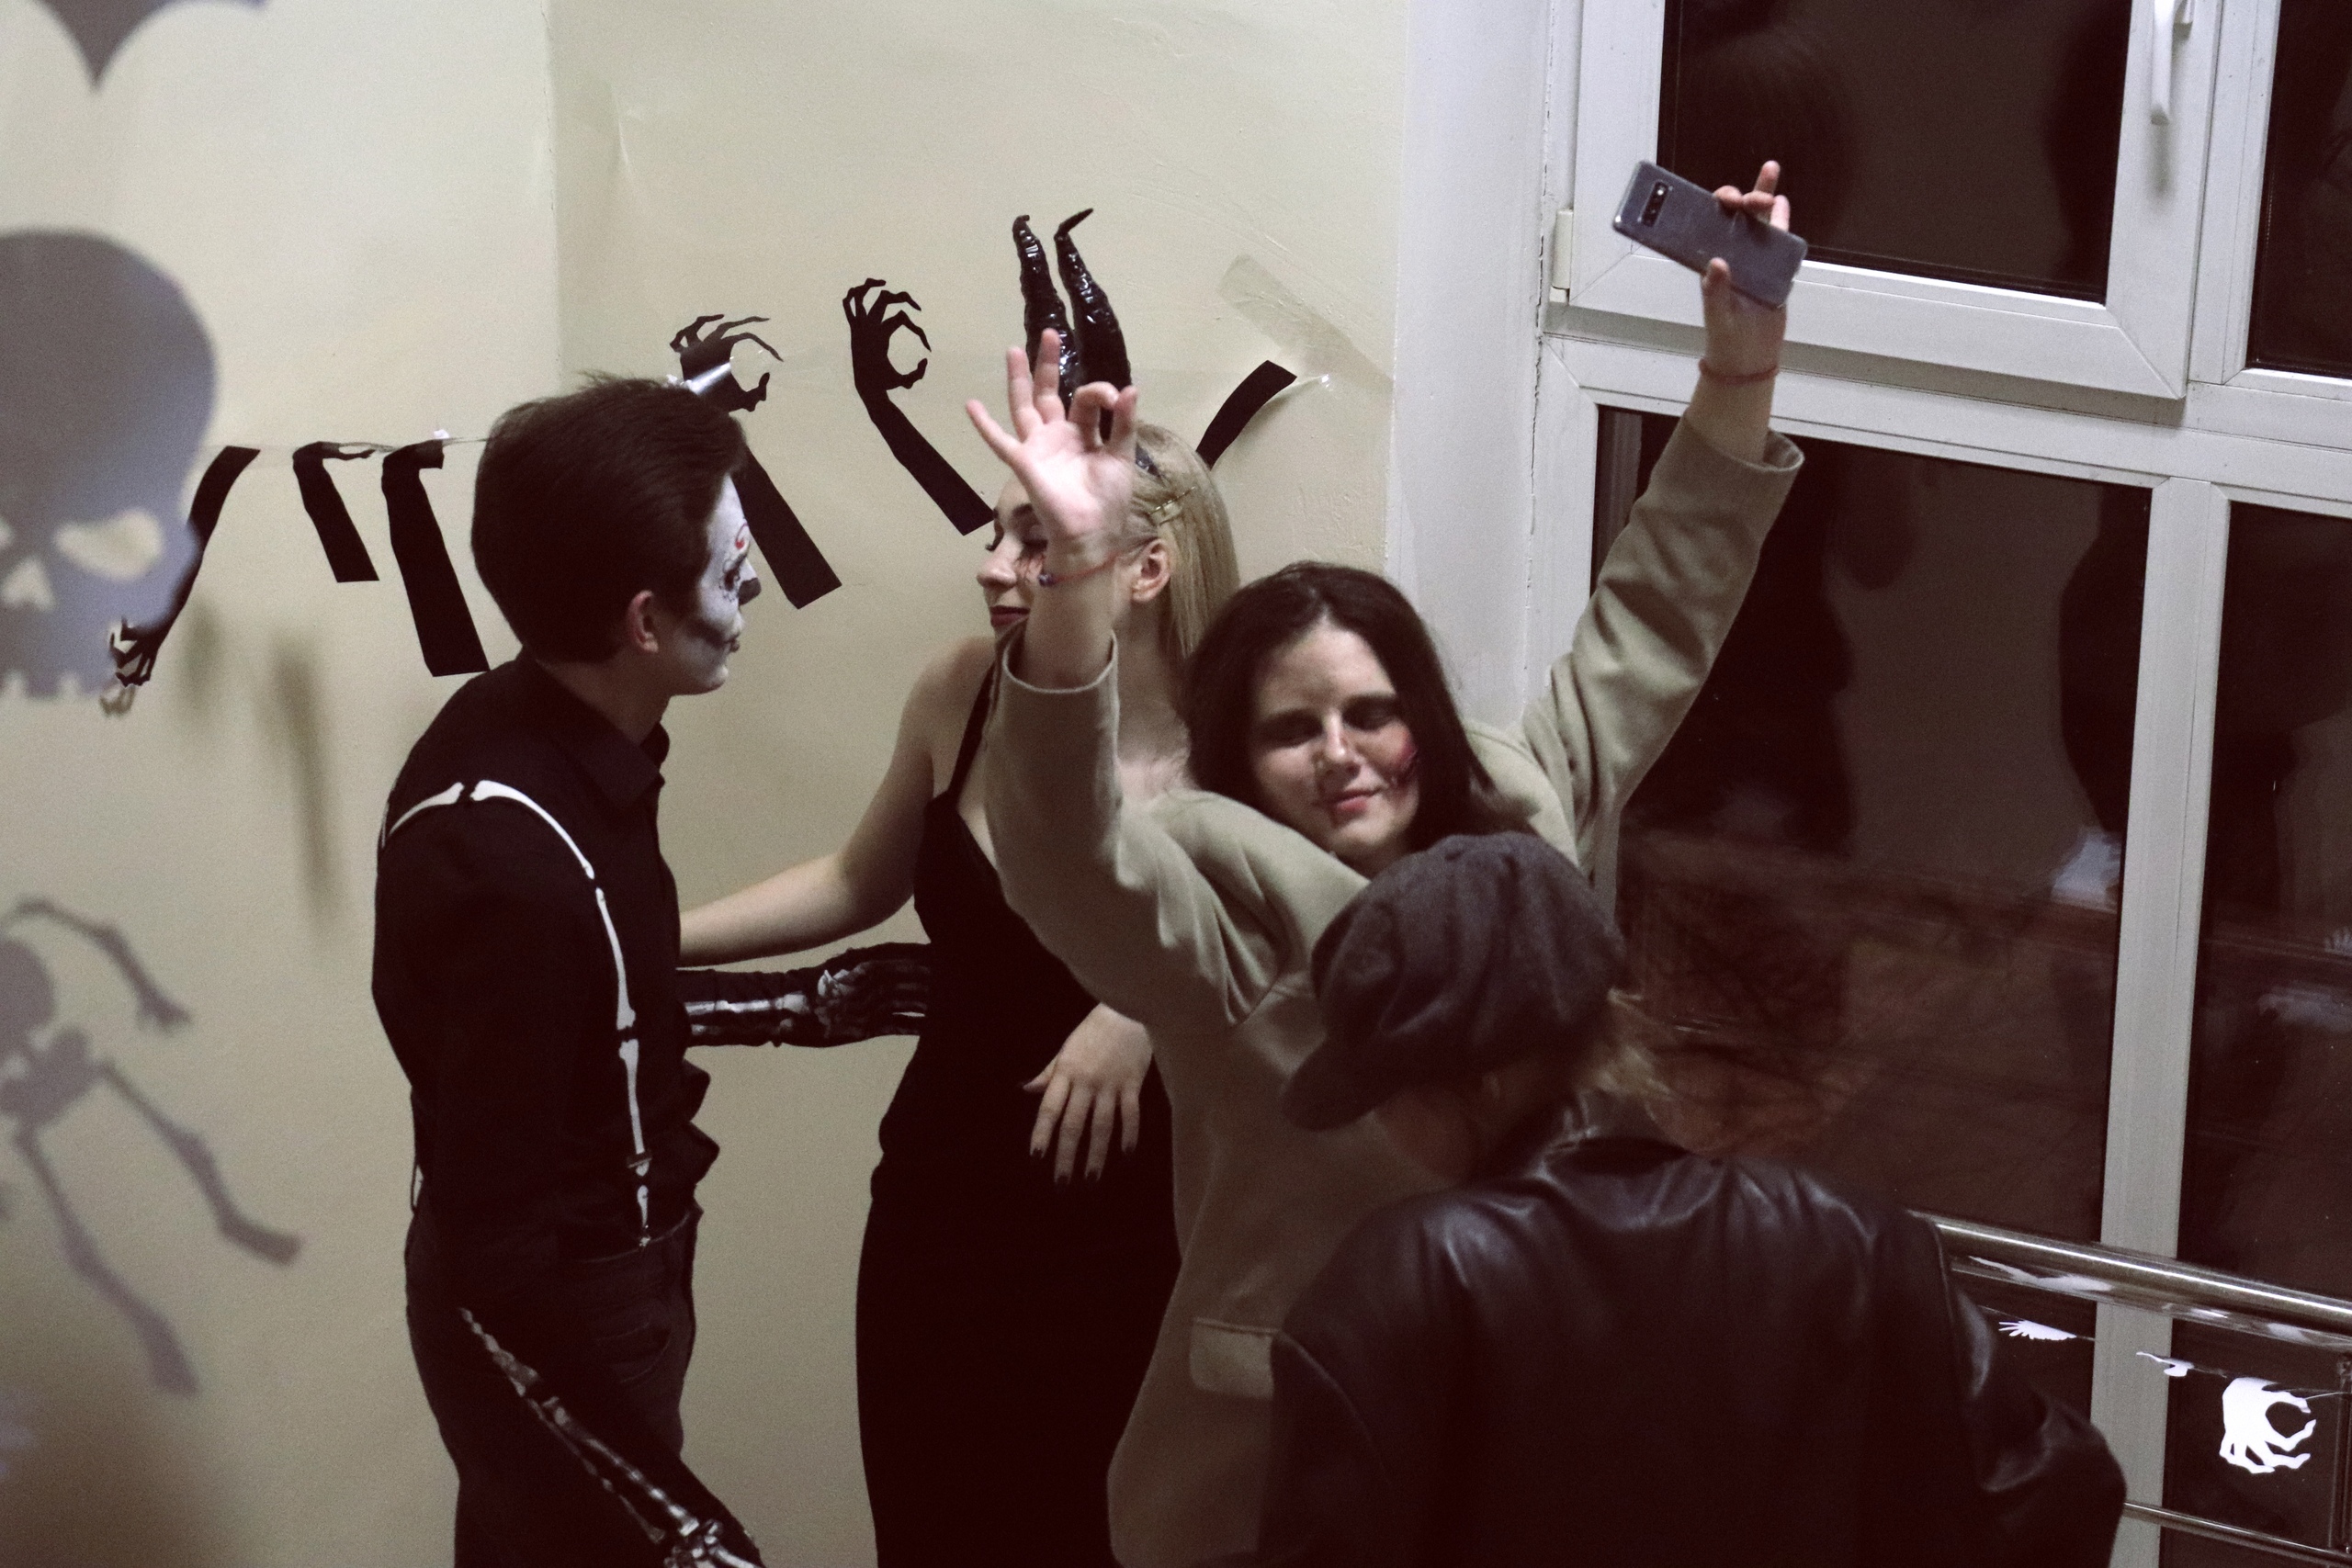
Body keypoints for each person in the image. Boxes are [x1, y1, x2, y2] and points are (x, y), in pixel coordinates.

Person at [970, 165, 1805, 1568]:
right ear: (1241, 756)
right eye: (1291, 729)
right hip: (1280, 1471)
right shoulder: (1216, 902)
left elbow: (1655, 612)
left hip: (1531, 1426)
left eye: (1370, 712)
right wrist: (1077, 574)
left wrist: (1739, 371)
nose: (1341, 754)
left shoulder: (1521, 806)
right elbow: (1064, 855)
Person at [1250, 831, 2126, 1568]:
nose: (1385, 1129)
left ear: (1482, 1078)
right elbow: (2059, 1495)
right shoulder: (1855, 1238)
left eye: (1390, 1094)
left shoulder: (1397, 1281)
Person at [677, 423, 1240, 1566]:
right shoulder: (962, 691)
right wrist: (647, 937)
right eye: (996, 535)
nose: (992, 566)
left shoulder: (1247, 742)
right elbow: (856, 881)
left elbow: (1308, 942)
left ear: (1145, 568)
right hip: (943, 1214)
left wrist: (1145, 1006)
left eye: (1033, 540)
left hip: (1146, 1234)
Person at [373, 378, 770, 1567]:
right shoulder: (512, 859)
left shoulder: (555, 731)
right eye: (732, 569)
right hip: (560, 1316)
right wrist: (682, 1524)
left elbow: (599, 1011)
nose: (754, 587)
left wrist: (827, 1000)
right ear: (644, 621)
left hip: (614, 1280)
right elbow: (492, 1267)